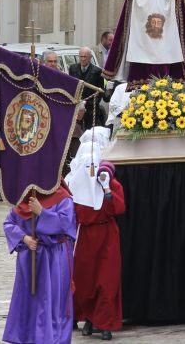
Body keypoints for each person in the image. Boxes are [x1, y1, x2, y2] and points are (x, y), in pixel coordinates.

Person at [3, 185, 76, 344]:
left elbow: (64, 224)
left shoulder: (63, 198)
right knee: (30, 299)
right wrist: (24, 238)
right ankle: (28, 337)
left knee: (51, 300)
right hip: (30, 257)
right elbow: (9, 223)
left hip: (55, 258)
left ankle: (51, 339)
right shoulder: (24, 198)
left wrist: (42, 212)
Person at [69, 144, 125, 341]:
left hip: (107, 235)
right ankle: (90, 319)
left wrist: (107, 189)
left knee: (107, 281)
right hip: (85, 237)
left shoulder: (112, 184)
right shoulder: (75, 189)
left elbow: (118, 208)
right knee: (87, 281)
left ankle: (105, 323)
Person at [68, 47, 105, 129]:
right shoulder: (73, 69)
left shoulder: (97, 71)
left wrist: (91, 104)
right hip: (76, 106)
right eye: (81, 57)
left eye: (85, 57)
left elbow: (100, 91)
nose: (83, 59)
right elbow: (70, 87)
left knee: (90, 130)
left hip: (91, 107)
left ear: (90, 58)